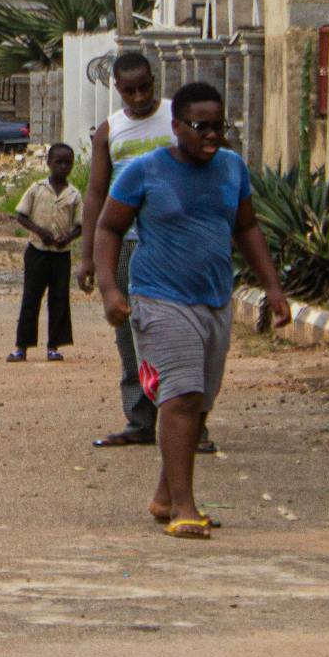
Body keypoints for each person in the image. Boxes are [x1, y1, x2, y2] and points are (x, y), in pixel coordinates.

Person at [93, 82, 287, 540]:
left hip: (215, 299)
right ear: (176, 126)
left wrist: (273, 287)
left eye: (219, 126)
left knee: (198, 402)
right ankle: (185, 507)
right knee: (179, 398)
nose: (212, 136)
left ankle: (164, 494)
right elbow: (109, 227)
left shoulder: (232, 168)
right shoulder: (144, 171)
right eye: (202, 127)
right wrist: (108, 289)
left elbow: (247, 227)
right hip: (159, 298)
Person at [78, 51, 213, 453]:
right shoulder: (109, 131)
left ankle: (194, 426)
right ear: (116, 89)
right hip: (126, 244)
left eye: (145, 88)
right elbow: (96, 194)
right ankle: (140, 419)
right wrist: (87, 257)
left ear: (155, 81)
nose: (138, 97)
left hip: (177, 241)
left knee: (187, 332)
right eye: (129, 90)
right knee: (129, 333)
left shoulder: (178, 118)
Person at [9, 142, 80, 362]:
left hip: (61, 254)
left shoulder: (73, 195)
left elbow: (81, 225)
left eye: (67, 163)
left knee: (59, 299)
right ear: (49, 163)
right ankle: (22, 347)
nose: (63, 167)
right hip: (37, 251)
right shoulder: (36, 189)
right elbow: (21, 216)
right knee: (31, 297)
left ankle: (54, 346)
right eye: (58, 162)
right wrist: (40, 232)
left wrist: (67, 238)